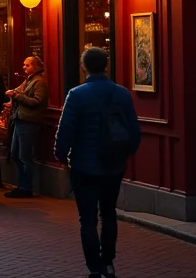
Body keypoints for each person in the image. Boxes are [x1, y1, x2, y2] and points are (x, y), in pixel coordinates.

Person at [54, 47, 141, 278]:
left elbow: (65, 132)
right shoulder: (122, 94)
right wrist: (123, 155)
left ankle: (94, 267)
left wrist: (62, 157)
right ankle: (108, 262)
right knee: (109, 214)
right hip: (113, 166)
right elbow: (134, 131)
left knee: (88, 219)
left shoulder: (77, 94)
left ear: (84, 67)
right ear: (106, 65)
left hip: (84, 166)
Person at [4, 55, 49, 198]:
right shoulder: (28, 80)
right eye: (24, 65)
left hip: (29, 122)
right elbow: (18, 90)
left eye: (27, 65)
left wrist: (17, 96)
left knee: (25, 156)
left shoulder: (39, 82)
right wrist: (12, 93)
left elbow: (37, 101)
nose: (24, 67)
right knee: (15, 154)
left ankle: (26, 188)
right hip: (19, 120)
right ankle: (21, 185)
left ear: (36, 67)